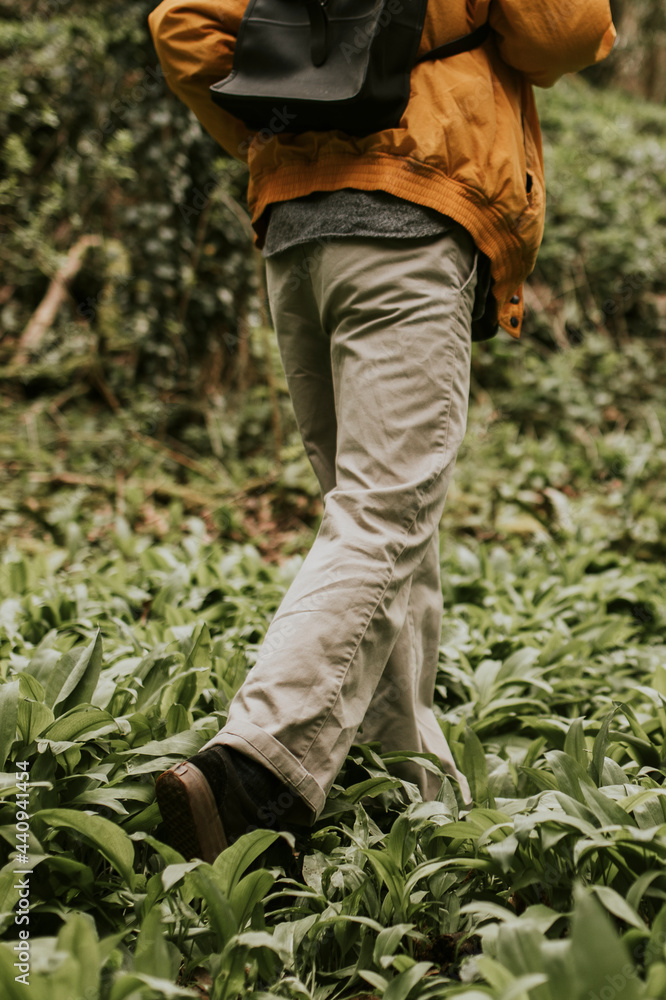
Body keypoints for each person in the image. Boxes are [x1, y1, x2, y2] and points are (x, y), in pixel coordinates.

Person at [147, 0, 616, 862]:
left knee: (376, 518)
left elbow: (181, 25)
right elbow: (564, 31)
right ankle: (256, 767)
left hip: (296, 229)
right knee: (384, 513)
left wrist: (297, 99)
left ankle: (410, 792)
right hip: (410, 211)